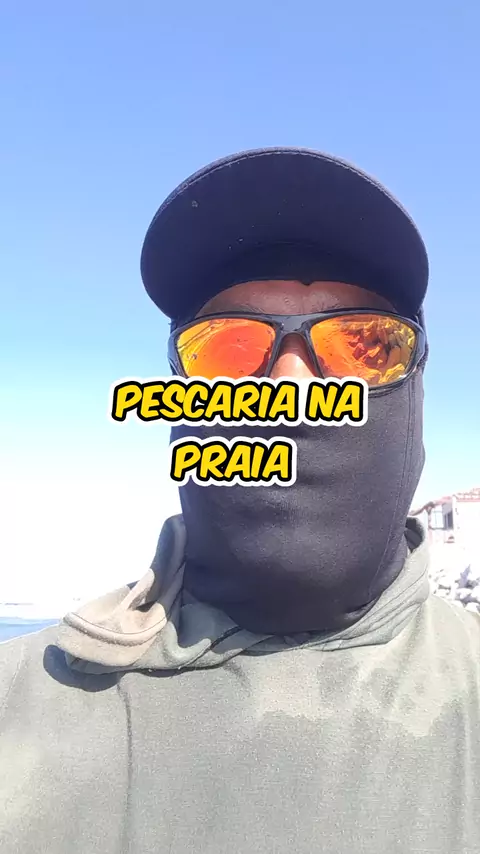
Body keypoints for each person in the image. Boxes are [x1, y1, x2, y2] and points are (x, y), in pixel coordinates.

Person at [1, 147, 479, 854]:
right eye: (228, 348)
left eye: (362, 346)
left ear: (415, 394)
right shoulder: (19, 707)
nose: (290, 387)